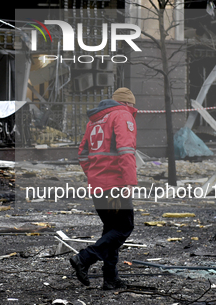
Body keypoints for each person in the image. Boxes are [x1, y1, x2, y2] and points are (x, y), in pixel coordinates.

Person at [71, 87, 138, 290]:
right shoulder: (123, 115)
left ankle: (110, 278)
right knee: (124, 227)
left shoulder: (95, 121)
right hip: (115, 184)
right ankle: (84, 258)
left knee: (111, 229)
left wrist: (93, 174)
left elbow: (82, 153)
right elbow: (126, 151)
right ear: (128, 103)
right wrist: (129, 182)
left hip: (98, 185)